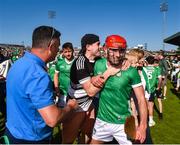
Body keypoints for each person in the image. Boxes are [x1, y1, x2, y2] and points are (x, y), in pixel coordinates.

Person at [5, 25, 78, 144]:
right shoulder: (38, 74)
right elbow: (52, 119)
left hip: (13, 133)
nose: (58, 51)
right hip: (31, 138)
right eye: (58, 47)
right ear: (51, 46)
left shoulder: (19, 63)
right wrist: (70, 107)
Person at [90, 35, 147, 144]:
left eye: (121, 51)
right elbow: (90, 81)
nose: (117, 54)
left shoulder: (130, 71)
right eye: (113, 50)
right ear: (106, 49)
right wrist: (93, 78)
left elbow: (141, 99)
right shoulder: (98, 64)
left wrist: (143, 126)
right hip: (102, 121)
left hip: (124, 122)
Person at [62, 34, 118, 144]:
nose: (100, 47)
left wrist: (126, 61)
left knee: (89, 135)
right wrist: (108, 73)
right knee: (68, 141)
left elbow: (115, 61)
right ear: (88, 47)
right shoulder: (80, 62)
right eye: (97, 44)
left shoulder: (98, 60)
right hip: (76, 105)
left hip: (89, 104)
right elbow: (91, 91)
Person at [54, 42, 75, 108]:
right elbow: (56, 76)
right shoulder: (59, 63)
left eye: (69, 51)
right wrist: (56, 88)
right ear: (63, 52)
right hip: (62, 92)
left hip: (74, 93)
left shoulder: (77, 62)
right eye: (65, 52)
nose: (68, 54)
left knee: (72, 112)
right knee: (62, 112)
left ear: (73, 51)